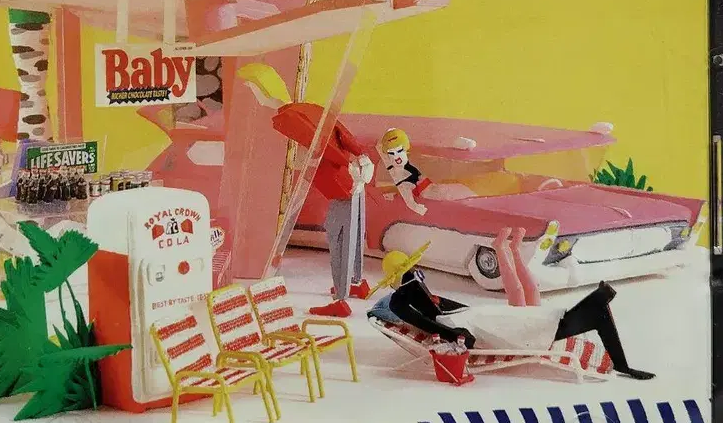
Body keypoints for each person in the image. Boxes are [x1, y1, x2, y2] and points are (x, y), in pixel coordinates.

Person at [369, 245, 654, 380]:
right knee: (531, 325)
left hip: (473, 316)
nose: (418, 274)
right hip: (472, 328)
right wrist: (455, 333)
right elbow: (437, 327)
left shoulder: (415, 290)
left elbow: (444, 307)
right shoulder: (399, 303)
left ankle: (598, 315)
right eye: (411, 272)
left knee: (528, 318)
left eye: (415, 270)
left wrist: (448, 307)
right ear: (401, 278)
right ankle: (596, 310)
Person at [238, 63, 373, 317]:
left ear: (263, 90)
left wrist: (339, 163)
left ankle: (341, 300)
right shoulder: (309, 107)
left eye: (253, 90)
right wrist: (358, 155)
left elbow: (317, 146)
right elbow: (340, 132)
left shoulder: (288, 117)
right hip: (354, 179)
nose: (255, 97)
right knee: (354, 235)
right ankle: (356, 284)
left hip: (341, 184)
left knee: (339, 239)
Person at [377, 127, 431, 216]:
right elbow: (410, 203)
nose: (396, 156)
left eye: (399, 151)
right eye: (392, 153)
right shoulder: (398, 174)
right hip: (427, 192)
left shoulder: (404, 168)